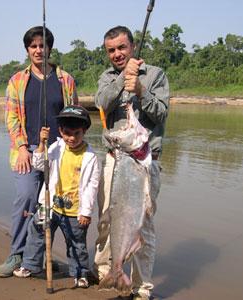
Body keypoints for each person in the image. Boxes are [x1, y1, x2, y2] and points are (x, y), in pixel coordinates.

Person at [0, 26, 78, 278]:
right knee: (27, 198)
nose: (38, 50)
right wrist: (21, 148)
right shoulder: (17, 81)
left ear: (50, 48)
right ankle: (17, 253)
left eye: (43, 45)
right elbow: (11, 118)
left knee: (60, 205)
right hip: (28, 151)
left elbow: (73, 117)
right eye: (33, 46)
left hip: (59, 151)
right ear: (27, 50)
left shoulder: (66, 80)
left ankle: (63, 258)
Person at [93, 26, 170, 300]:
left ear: (132, 46)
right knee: (107, 218)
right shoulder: (106, 77)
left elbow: (161, 114)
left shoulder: (155, 74)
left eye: (122, 47)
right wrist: (122, 79)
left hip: (144, 162)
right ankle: (107, 272)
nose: (117, 54)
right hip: (116, 160)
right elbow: (101, 102)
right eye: (111, 50)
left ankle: (140, 287)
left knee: (143, 225)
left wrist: (139, 89)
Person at [13, 105, 100, 288]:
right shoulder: (56, 147)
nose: (72, 138)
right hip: (49, 205)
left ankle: (80, 273)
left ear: (84, 132)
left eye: (77, 133)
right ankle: (30, 265)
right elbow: (38, 164)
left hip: (75, 211)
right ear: (60, 131)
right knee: (37, 235)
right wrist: (42, 143)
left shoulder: (90, 156)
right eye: (67, 133)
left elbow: (92, 186)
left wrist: (86, 212)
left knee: (77, 245)